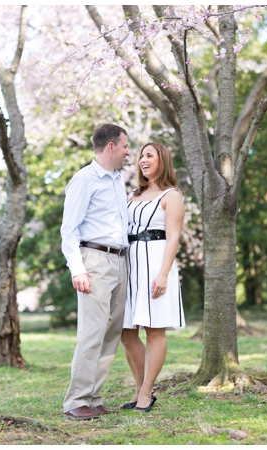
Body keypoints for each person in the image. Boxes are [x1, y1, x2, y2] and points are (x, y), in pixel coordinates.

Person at [60, 124, 132, 420]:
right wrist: (78, 269)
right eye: (126, 146)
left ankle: (94, 396)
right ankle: (76, 400)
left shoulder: (117, 180)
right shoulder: (84, 179)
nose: (130, 151)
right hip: (95, 260)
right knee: (92, 332)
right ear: (111, 146)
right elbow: (69, 230)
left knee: (111, 332)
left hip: (120, 260)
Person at [120, 142, 186, 413]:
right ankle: (139, 389)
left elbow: (174, 238)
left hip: (156, 264)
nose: (143, 160)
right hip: (130, 265)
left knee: (154, 331)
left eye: (150, 155)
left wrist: (162, 274)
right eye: (141, 156)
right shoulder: (133, 195)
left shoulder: (172, 196)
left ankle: (147, 393)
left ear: (163, 160)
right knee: (126, 333)